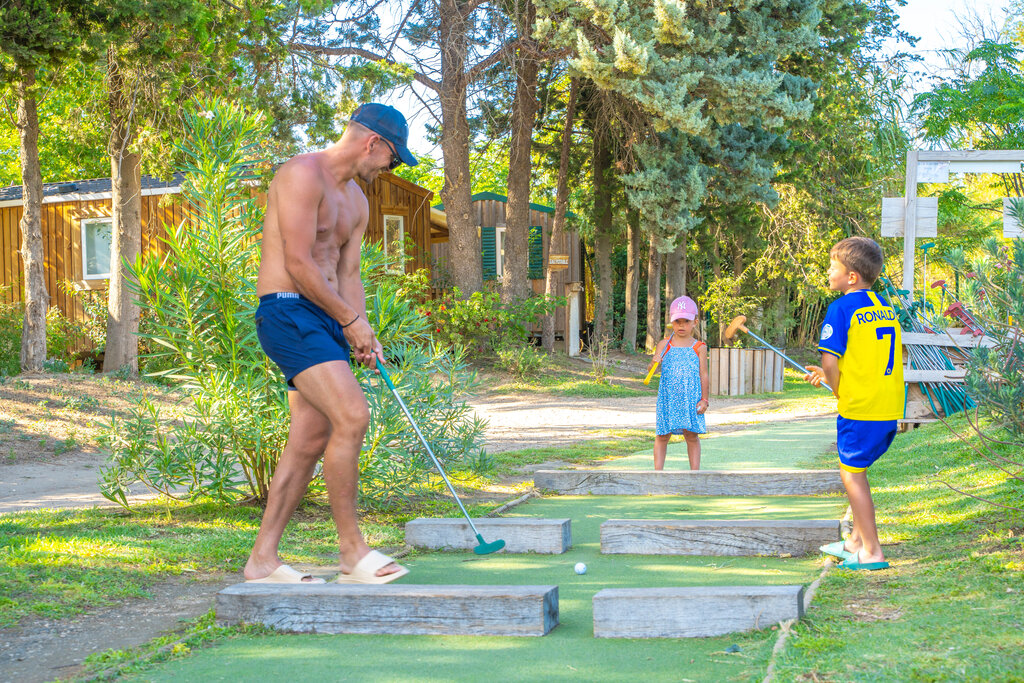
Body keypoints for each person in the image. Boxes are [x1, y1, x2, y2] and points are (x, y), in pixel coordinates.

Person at [243, 103, 418, 585]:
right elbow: (298, 263)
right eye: (393, 157)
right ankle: (351, 552)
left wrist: (360, 329)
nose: (390, 167)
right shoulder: (301, 174)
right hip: (286, 310)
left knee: (309, 438)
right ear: (372, 143)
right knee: (353, 415)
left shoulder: (357, 201)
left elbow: (348, 273)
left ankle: (262, 559)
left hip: (326, 318)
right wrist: (348, 319)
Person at [805, 236, 903, 571]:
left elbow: (831, 362)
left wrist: (835, 386)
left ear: (851, 277)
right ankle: (854, 542)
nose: (828, 272)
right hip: (887, 407)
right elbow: (864, 359)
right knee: (859, 470)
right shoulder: (883, 308)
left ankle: (872, 552)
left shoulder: (841, 308)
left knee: (852, 476)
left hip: (859, 409)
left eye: (833, 267)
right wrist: (831, 373)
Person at [649, 296, 709, 470]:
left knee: (691, 436)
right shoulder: (664, 345)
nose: (681, 325)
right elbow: (650, 370)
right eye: (677, 321)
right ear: (671, 323)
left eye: (686, 321)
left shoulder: (699, 347)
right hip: (668, 399)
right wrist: (654, 360)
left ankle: (695, 475)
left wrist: (704, 399)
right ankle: (657, 474)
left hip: (690, 399)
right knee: (662, 436)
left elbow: (703, 374)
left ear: (695, 322)